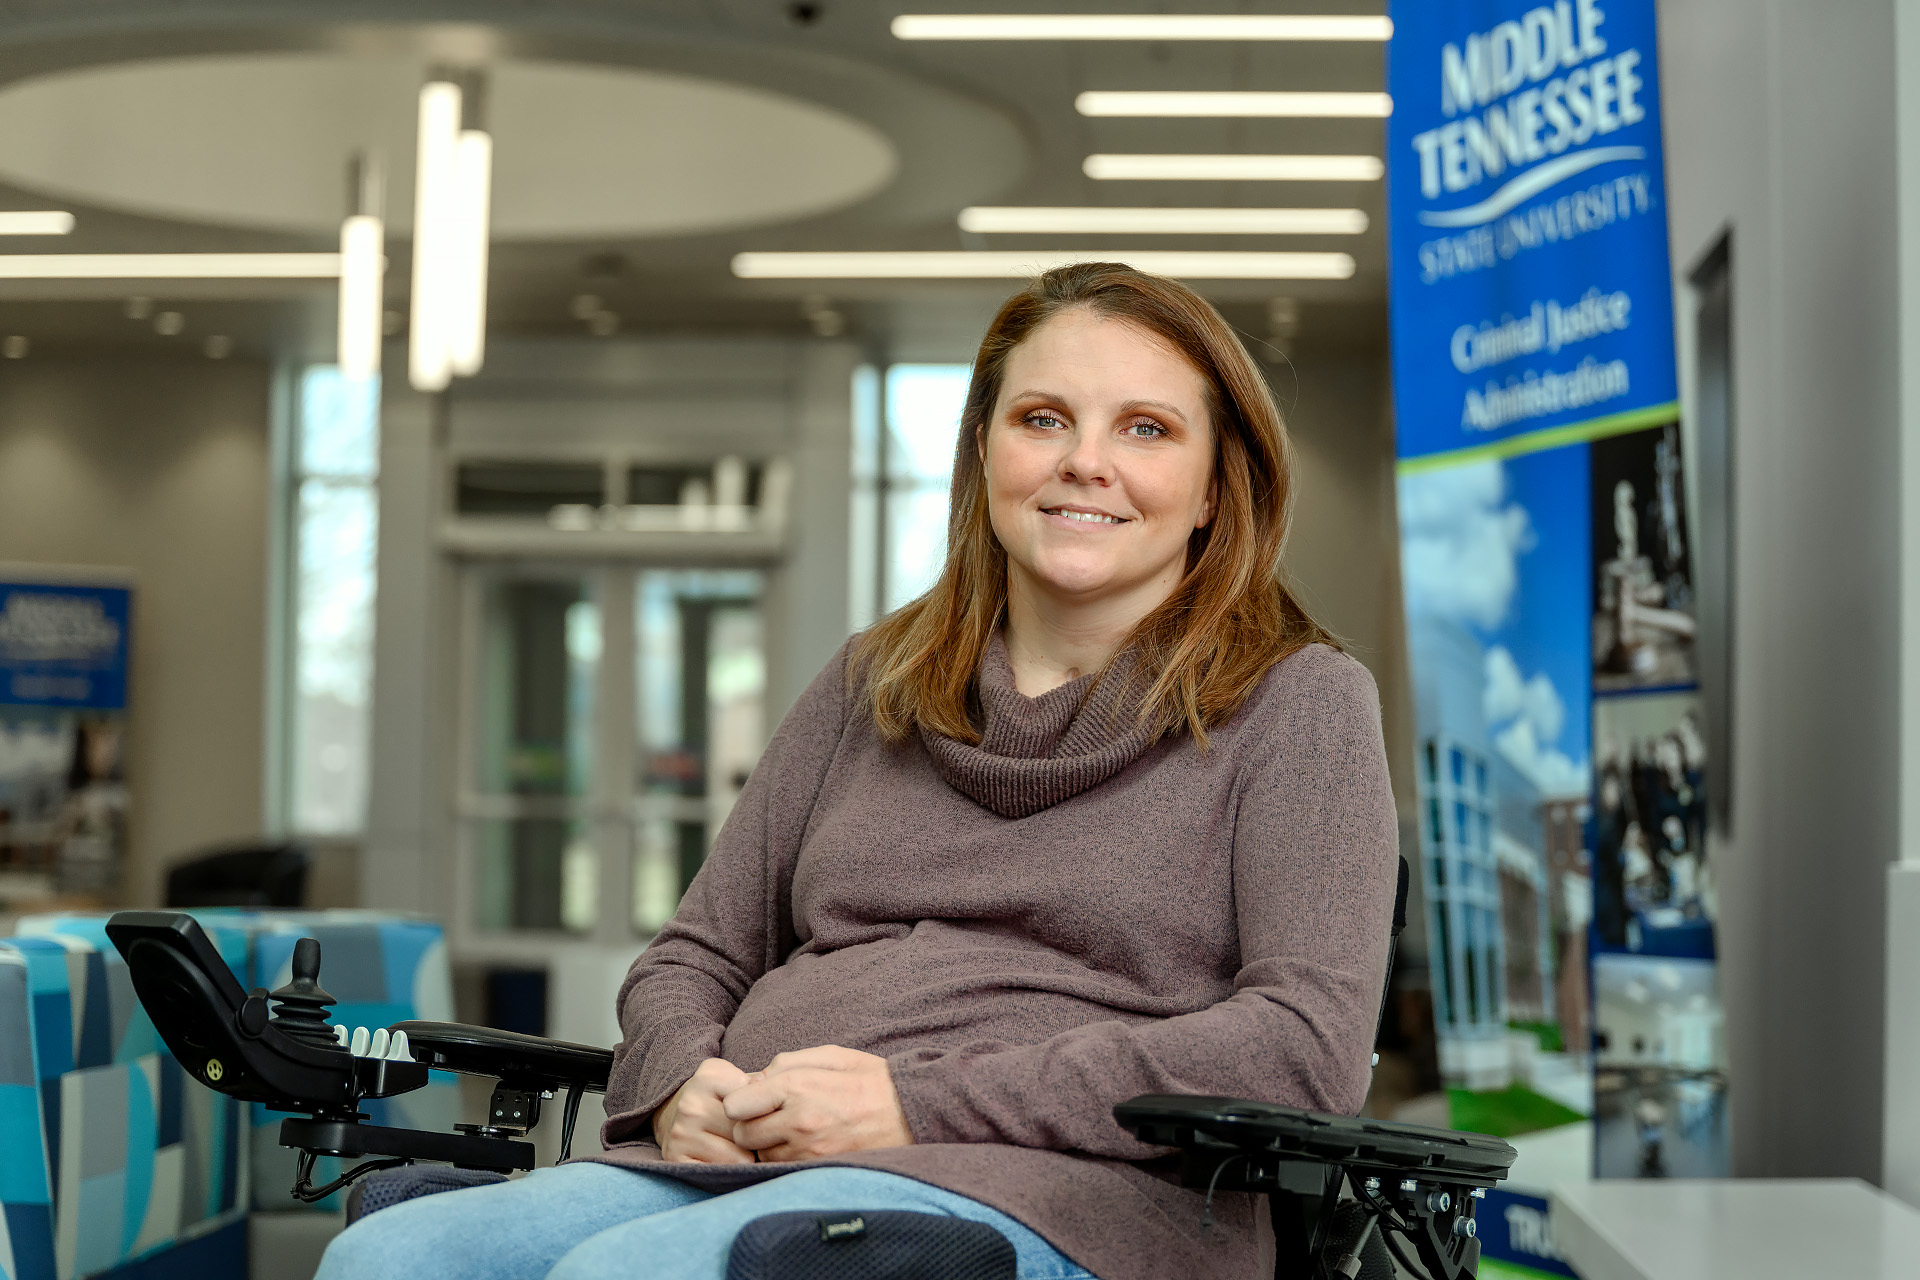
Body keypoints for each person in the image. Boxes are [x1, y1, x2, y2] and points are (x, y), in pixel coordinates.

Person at [317, 263, 1398, 1280]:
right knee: (389, 1256)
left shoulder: (1298, 702)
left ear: (1216, 485)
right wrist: (681, 1075)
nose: (1086, 461)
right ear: (985, 453)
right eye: (1043, 418)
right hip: (752, 1158)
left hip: (1071, 1194)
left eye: (1147, 429)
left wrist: (914, 1105)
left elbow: (1304, 1048)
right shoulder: (876, 678)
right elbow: (694, 953)